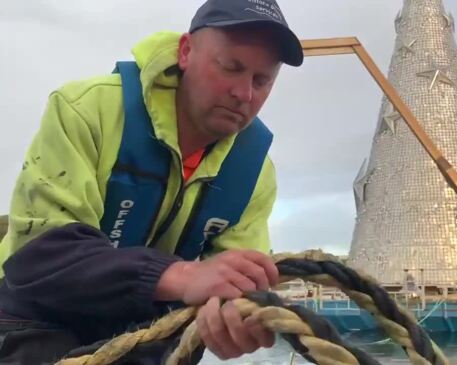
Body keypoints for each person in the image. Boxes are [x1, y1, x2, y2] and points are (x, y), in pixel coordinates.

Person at [0, 0, 303, 363]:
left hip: (147, 333)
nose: (244, 94)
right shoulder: (84, 109)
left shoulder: (256, 174)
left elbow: (235, 281)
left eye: (261, 80)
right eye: (230, 67)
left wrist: (234, 313)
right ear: (186, 51)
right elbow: (42, 254)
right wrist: (184, 276)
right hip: (36, 320)